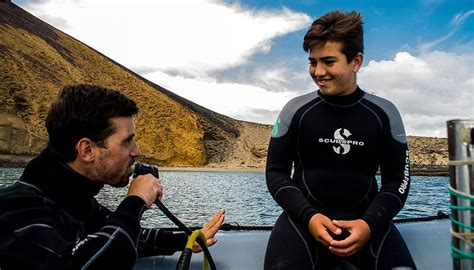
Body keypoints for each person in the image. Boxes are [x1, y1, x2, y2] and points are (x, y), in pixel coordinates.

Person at [0, 84, 225, 269]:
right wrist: (135, 201)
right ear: (87, 150)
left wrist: (186, 240)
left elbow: (125, 235)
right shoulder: (18, 213)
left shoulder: (74, 200)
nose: (136, 151)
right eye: (127, 141)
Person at [264, 10, 416, 270]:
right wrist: (309, 217)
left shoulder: (384, 114)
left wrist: (369, 224)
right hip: (302, 223)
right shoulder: (296, 110)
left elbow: (397, 181)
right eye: (313, 62)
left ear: (355, 61)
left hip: (368, 225)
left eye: (329, 61)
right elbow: (276, 173)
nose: (318, 71)